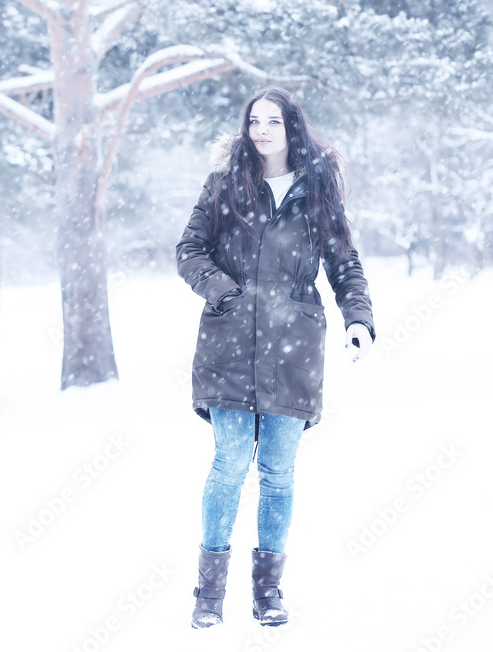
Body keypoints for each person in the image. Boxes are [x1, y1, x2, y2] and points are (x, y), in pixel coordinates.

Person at [175, 87, 375, 628]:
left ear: (293, 128)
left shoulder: (317, 191)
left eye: (273, 121)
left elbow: (343, 261)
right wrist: (223, 292)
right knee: (229, 463)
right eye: (253, 121)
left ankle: (268, 594)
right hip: (229, 346)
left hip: (294, 352)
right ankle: (209, 596)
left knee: (278, 473)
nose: (261, 130)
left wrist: (358, 317)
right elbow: (189, 251)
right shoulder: (224, 186)